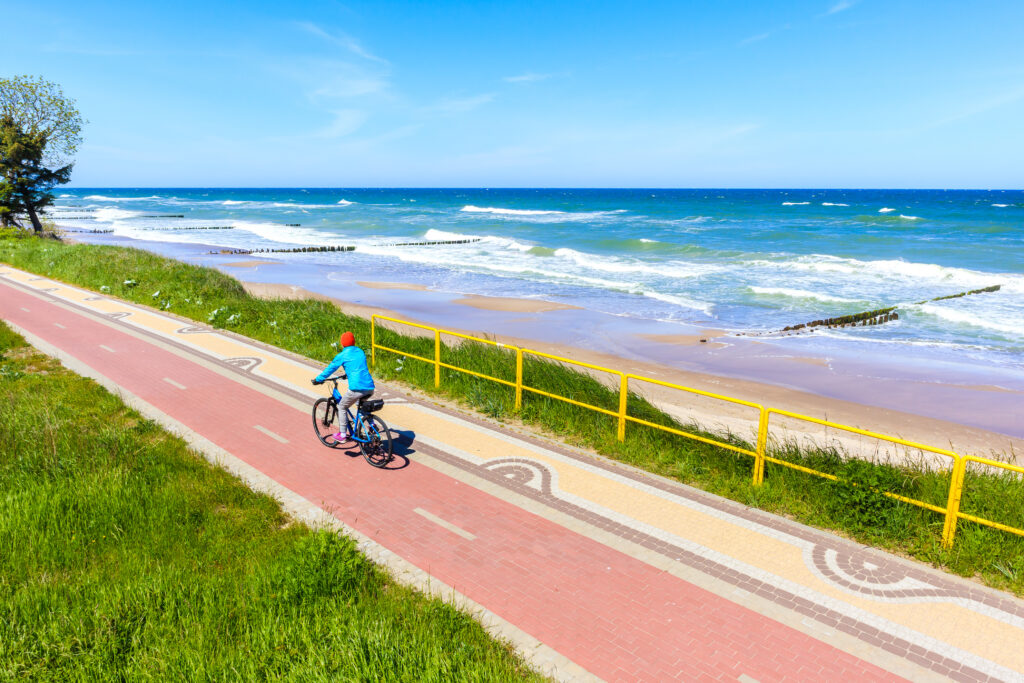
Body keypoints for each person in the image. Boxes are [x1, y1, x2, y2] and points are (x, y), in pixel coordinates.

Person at [312, 331, 375, 435]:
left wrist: (318, 379)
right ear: (354, 342)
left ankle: (342, 435)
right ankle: (372, 425)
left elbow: (330, 369)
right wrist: (348, 374)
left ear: (342, 344)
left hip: (357, 388)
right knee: (361, 405)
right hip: (370, 387)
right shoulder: (360, 351)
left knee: (342, 406)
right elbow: (357, 366)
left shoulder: (342, 355)